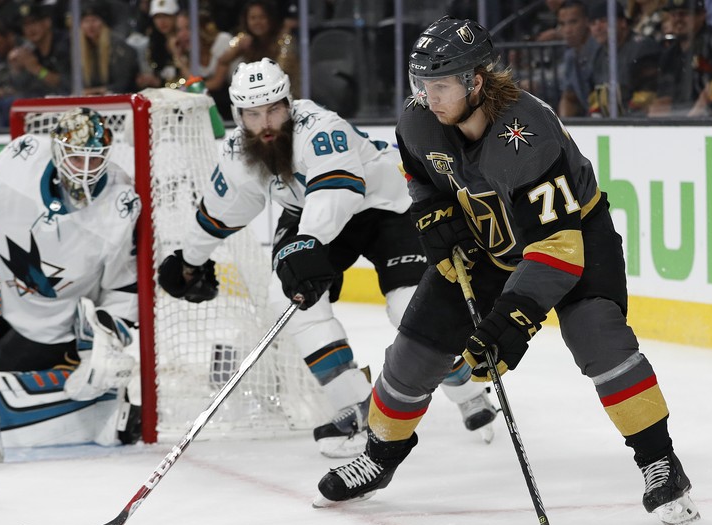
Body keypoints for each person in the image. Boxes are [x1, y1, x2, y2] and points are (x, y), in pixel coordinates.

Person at [314, 17, 700, 525]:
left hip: (574, 237)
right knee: (415, 349)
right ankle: (380, 457)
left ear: (475, 81)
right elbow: (418, 171)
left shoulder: (527, 132)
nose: (428, 97)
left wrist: (513, 318)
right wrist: (434, 211)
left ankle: (660, 462)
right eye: (421, 84)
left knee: (598, 338)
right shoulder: (419, 118)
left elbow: (558, 247)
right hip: (486, 237)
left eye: (441, 85)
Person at [157, 58, 497, 458]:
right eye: (253, 114)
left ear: (289, 102)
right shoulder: (238, 153)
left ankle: (469, 392)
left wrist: (310, 242)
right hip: (311, 218)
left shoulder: (320, 127)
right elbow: (221, 208)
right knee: (286, 297)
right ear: (238, 115)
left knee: (409, 307)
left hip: (384, 206)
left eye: (273, 109)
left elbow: (337, 191)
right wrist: (189, 260)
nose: (265, 123)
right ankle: (356, 405)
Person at [0, 107, 142, 446]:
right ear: (58, 150)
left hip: (52, 333)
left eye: (95, 160)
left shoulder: (118, 204)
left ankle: (111, 406)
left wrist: (106, 341)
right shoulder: (22, 162)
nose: (87, 171)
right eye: (78, 159)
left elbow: (123, 287)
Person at [649, 0, 712, 116]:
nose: (677, 19)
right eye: (673, 15)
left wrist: (691, 120)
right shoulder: (669, 54)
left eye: (684, 14)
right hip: (680, 120)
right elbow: (664, 97)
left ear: (702, 15)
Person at [587, 0, 662, 116]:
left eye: (603, 21)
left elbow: (648, 96)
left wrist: (623, 123)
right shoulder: (598, 55)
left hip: (640, 124)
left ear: (622, 22)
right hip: (613, 125)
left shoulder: (643, 48)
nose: (597, 28)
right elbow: (596, 97)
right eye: (593, 23)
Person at [8, 2, 71, 99]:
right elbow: (20, 89)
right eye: (25, 25)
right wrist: (16, 69)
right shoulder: (29, 50)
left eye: (34, 23)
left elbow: (66, 85)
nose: (30, 29)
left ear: (47, 22)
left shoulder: (65, 44)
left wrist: (37, 69)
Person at [78, 1, 139, 95]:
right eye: (86, 21)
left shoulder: (118, 48)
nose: (90, 26)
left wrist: (95, 91)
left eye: (94, 20)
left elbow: (122, 84)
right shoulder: (78, 50)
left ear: (103, 23)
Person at [556, 0, 601, 116]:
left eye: (573, 22)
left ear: (587, 22)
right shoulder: (570, 56)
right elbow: (569, 97)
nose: (567, 30)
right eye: (562, 24)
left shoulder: (602, 50)